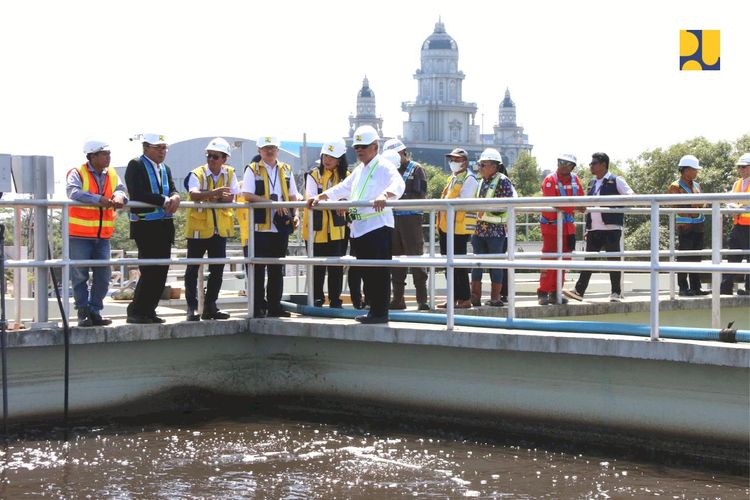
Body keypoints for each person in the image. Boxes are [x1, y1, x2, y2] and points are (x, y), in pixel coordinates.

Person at [307, 125, 405, 324]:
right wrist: (322, 196)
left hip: (377, 227)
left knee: (378, 272)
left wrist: (385, 195)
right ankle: (373, 311)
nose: (359, 150)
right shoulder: (360, 169)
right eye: (357, 147)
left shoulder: (384, 165)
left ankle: (380, 312)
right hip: (360, 229)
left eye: (364, 146)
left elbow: (398, 184)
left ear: (375, 147)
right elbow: (344, 187)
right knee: (367, 271)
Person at [66, 139, 127, 326]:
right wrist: (99, 199)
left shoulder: (112, 173)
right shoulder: (77, 172)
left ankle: (94, 312)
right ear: (92, 156)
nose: (108, 157)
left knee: (103, 275)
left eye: (108, 153)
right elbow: (73, 192)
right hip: (79, 235)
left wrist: (119, 196)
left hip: (102, 236)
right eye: (104, 154)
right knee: (79, 276)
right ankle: (83, 313)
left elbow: (121, 189)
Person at [240, 136, 301, 318]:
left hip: (280, 226)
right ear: (259, 151)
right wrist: (271, 203)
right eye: (266, 148)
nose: (269, 151)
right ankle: (258, 306)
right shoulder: (252, 169)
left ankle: (274, 306)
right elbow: (247, 194)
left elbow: (293, 196)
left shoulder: (286, 169)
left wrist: (296, 214)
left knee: (277, 268)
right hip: (259, 227)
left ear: (278, 150)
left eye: (273, 147)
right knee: (257, 269)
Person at [564, 152, 635, 303]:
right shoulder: (592, 183)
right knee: (589, 260)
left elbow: (631, 196)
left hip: (611, 228)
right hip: (594, 229)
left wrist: (615, 206)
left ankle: (615, 293)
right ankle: (579, 291)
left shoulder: (616, 180)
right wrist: (587, 227)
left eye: (594, 163)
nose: (591, 166)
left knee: (613, 261)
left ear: (603, 165)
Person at [124, 134, 180, 324]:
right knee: (149, 270)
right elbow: (137, 192)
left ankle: (149, 310)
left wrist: (175, 197)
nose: (162, 151)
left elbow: (172, 188)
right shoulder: (136, 165)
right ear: (146, 147)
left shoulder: (165, 168)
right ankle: (136, 311)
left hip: (164, 226)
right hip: (145, 226)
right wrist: (164, 200)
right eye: (158, 148)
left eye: (164, 148)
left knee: (161, 270)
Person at [183, 137, 239, 321]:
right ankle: (191, 308)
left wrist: (212, 197)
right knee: (192, 269)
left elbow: (232, 196)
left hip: (219, 230)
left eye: (215, 156)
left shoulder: (230, 173)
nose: (211, 160)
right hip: (198, 229)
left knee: (218, 269)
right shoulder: (197, 173)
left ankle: (210, 306)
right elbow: (193, 194)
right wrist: (215, 194)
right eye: (209, 156)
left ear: (225, 159)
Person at [383, 138, 428, 311]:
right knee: (396, 260)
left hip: (411, 219)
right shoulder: (388, 170)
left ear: (403, 153)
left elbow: (420, 194)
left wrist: (399, 197)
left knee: (415, 258)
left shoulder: (416, 169)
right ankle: (398, 299)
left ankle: (422, 299)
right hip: (393, 219)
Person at [303, 140, 349, 308]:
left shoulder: (346, 176)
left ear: (340, 159)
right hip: (316, 228)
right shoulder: (313, 174)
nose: (327, 160)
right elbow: (311, 198)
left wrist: (341, 202)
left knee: (336, 266)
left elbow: (351, 197)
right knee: (317, 266)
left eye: (332, 157)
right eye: (325, 156)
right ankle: (317, 298)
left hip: (337, 228)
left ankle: (335, 299)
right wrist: (338, 202)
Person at [471, 148, 515, 307]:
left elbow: (506, 205)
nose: (480, 168)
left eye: (483, 165)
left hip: (496, 231)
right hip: (479, 230)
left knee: (495, 264)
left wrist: (486, 209)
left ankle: (495, 298)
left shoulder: (503, 181)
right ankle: (474, 297)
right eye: (480, 165)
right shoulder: (481, 181)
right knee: (477, 263)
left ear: (494, 166)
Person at [538, 154, 584, 305]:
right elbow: (554, 202)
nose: (562, 165)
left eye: (567, 163)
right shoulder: (550, 180)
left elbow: (582, 201)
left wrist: (577, 207)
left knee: (564, 260)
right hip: (551, 226)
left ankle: (556, 292)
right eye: (560, 162)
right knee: (549, 258)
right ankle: (543, 292)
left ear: (572, 166)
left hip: (568, 228)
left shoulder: (575, 180)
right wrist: (574, 207)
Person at [436, 148, 479, 309]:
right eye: (451, 159)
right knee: (448, 264)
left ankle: (465, 299)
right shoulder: (453, 178)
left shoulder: (470, 179)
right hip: (446, 226)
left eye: (457, 159)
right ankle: (453, 298)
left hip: (458, 228)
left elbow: (462, 201)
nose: (453, 162)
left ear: (465, 162)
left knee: (458, 264)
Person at [667, 154, 709, 296]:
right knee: (684, 257)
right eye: (693, 169)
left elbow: (704, 203)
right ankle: (683, 288)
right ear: (685, 170)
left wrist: (694, 206)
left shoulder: (697, 185)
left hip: (699, 226)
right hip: (685, 227)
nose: (696, 172)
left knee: (696, 257)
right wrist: (694, 207)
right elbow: (677, 206)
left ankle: (696, 287)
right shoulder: (675, 186)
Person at [720, 153, 750, 296]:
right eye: (739, 167)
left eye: (743, 167)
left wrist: (738, 205)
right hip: (738, 226)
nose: (740, 169)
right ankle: (725, 289)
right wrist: (733, 205)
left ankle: (749, 290)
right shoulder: (737, 183)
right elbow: (729, 198)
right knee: (732, 257)